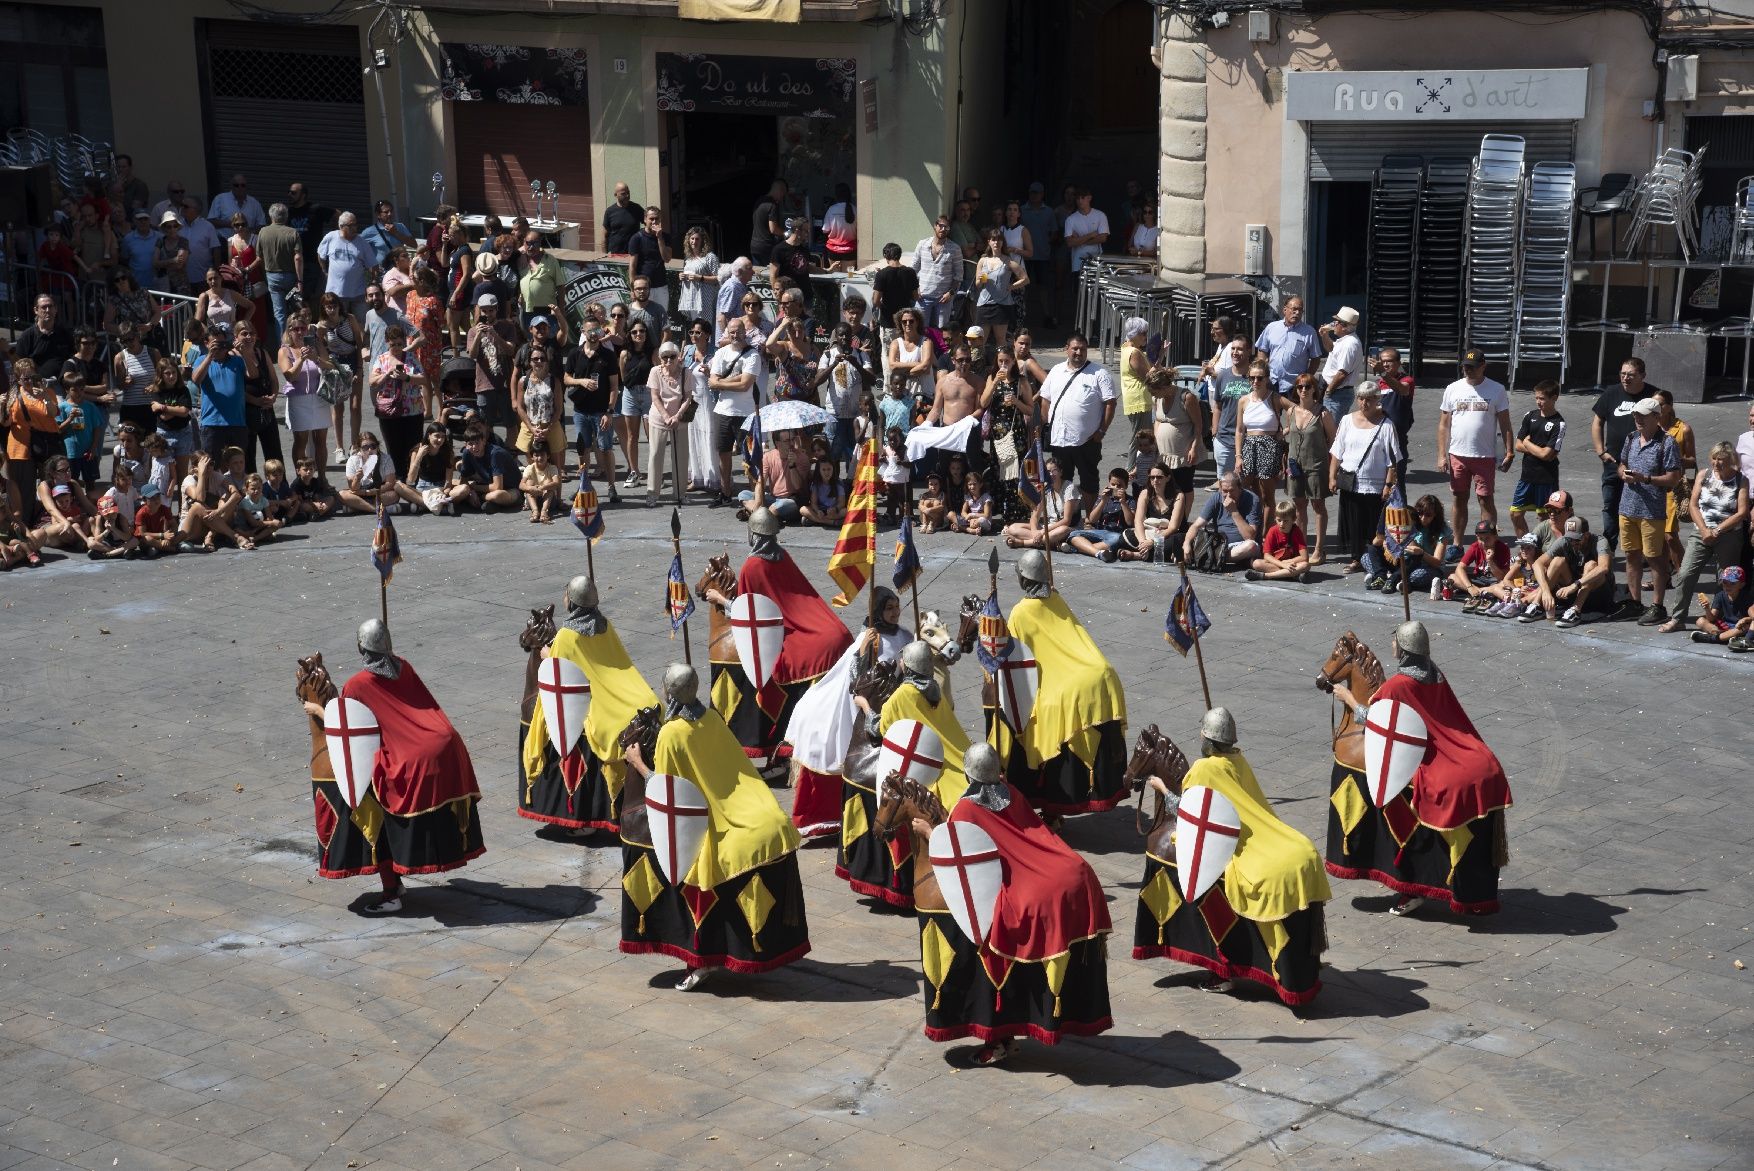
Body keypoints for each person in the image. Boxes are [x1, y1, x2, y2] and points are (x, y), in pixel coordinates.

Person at [919, 742, 1112, 1064]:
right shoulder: (1012, 792)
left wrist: (928, 833)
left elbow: (958, 855)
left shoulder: (966, 809)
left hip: (1028, 892)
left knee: (982, 949)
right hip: (1073, 873)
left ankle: (997, 1036)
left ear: (968, 773)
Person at [621, 662, 810, 989]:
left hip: (723, 823)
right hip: (766, 816)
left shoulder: (670, 733)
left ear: (669, 693)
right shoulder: (711, 717)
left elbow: (666, 790)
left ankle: (701, 959)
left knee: (689, 873)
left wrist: (637, 762)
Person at [1133, 708, 1331, 1003]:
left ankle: (1223, 969)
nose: (1200, 737)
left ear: (1209, 741)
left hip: (1244, 848)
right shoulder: (1238, 760)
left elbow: (1190, 813)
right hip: (1289, 842)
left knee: (1201, 892)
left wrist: (1161, 787)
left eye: (1203, 734)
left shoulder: (1203, 769)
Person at [1324, 621, 1512, 916]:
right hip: (1476, 757)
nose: (1392, 646)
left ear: (1403, 649)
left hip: (1439, 762)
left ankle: (1410, 884)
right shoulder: (1434, 672)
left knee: (1392, 805)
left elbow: (1375, 721)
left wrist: (1347, 697)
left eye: (1395, 641)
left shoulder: (1399, 685)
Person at [303, 620, 486, 915]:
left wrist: (319, 710)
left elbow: (347, 729)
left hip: (408, 761)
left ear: (361, 647)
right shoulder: (404, 667)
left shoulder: (358, 684)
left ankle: (391, 892)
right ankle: (394, 883)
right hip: (446, 746)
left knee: (368, 814)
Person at [698, 507, 855, 822]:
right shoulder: (781, 555)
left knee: (764, 676)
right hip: (832, 632)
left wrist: (718, 598)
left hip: (804, 640)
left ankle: (778, 745)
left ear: (753, 535)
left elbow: (747, 615)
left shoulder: (752, 566)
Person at [989, 550, 1128, 817]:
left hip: (1064, 685)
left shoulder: (1020, 611)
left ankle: (1050, 803)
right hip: (1102, 675)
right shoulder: (1056, 598)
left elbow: (1017, 661)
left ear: (1023, 578)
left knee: (1034, 721)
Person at [520, 575, 661, 834]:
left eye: (566, 596)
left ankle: (585, 815)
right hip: (631, 693)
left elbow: (561, 669)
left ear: (572, 603)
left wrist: (545, 653)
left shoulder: (566, 636)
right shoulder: (605, 625)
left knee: (559, 730)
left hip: (598, 700)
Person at [1664, 442, 1749, 635]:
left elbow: (1742, 512)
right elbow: (1693, 505)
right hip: (1701, 532)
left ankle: (1721, 618)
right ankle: (1678, 618)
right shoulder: (1704, 475)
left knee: (1725, 580)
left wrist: (1717, 530)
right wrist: (1704, 530)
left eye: (1721, 460)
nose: (1716, 463)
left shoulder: (1741, 480)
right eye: (1714, 458)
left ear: (1731, 461)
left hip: (1728, 535)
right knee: (1685, 574)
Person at [1616, 395, 1684, 626]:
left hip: (1651, 511)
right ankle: (1635, 602)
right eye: (1636, 415)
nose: (1638, 419)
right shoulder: (1631, 438)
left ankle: (1658, 606)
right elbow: (1621, 464)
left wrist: (1646, 478)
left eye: (1643, 416)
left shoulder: (1667, 443)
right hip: (1627, 508)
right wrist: (1623, 473)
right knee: (1631, 555)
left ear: (1656, 417)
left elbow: (1674, 478)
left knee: (1655, 559)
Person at [1039, 332, 1116, 516]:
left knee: (1088, 479)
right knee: (1060, 480)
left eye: (1082, 349)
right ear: (1067, 349)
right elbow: (1045, 399)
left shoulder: (1099, 373)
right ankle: (1064, 517)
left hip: (1087, 440)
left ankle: (1089, 517)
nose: (1078, 352)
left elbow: (1110, 403)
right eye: (1075, 348)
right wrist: (1048, 423)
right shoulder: (1056, 370)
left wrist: (1101, 431)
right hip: (1059, 439)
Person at [1329, 383, 1402, 574]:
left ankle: (1374, 558)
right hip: (1350, 481)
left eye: (1369, 398)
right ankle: (1356, 558)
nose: (1365, 402)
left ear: (1378, 399)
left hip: (1375, 485)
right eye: (1361, 398)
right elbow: (1337, 451)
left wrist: (1388, 484)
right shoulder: (1346, 420)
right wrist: (1332, 477)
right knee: (1353, 521)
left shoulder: (1386, 425)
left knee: (1373, 523)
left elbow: (1393, 461)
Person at [1592, 357, 1658, 554]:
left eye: (1631, 375)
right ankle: (1608, 549)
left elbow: (1663, 423)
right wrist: (1600, 451)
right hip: (1613, 462)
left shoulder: (1652, 395)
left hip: (1642, 464)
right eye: (1623, 374)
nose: (1625, 378)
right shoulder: (1611, 393)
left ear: (1642, 376)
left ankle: (1643, 551)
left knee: (1641, 508)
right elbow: (1597, 422)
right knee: (1610, 506)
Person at [707, 318, 763, 508]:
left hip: (745, 413)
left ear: (744, 332)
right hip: (722, 411)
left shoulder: (752, 355)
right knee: (723, 453)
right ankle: (725, 492)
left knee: (749, 457)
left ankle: (753, 495)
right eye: (731, 332)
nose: (735, 335)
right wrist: (729, 382)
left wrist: (721, 383)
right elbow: (712, 380)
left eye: (738, 331)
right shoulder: (721, 352)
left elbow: (745, 385)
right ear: (727, 334)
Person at [1527, 515, 1617, 627]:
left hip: (1599, 592)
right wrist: (1545, 591)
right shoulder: (1564, 541)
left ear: (1587, 535)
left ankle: (1576, 610)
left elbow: (1604, 567)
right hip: (1573, 590)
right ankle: (1537, 604)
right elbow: (1537, 563)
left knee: (1591, 565)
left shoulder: (1600, 542)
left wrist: (1576, 585)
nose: (1573, 542)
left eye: (1577, 539)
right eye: (1570, 538)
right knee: (1557, 561)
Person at [1363, 493, 1450, 595]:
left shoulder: (1441, 531)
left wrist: (1421, 552)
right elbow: (1376, 542)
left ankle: (1389, 577)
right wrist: (1386, 540)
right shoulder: (1410, 521)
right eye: (1420, 513)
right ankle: (1389, 577)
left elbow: (1437, 562)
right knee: (1365, 557)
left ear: (1435, 515)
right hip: (1401, 563)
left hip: (1423, 566)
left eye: (1428, 515)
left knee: (1417, 575)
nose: (1422, 518)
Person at [1510, 379, 1565, 538]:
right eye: (1537, 398)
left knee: (1545, 518)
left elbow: (1547, 455)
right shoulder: (1530, 416)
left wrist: (1528, 443)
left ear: (1554, 398)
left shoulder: (1558, 424)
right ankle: (1527, 548)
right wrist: (1534, 447)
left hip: (1546, 479)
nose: (1538, 402)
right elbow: (1518, 445)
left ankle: (1543, 551)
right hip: (1526, 477)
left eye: (1542, 398)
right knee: (1515, 514)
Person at [1234, 358, 1286, 517]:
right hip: (1249, 446)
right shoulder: (1244, 400)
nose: (1255, 381)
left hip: (1269, 447)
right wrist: (1238, 456)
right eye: (1252, 377)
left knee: (1266, 496)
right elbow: (1239, 430)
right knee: (1243, 491)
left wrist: (1284, 431)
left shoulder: (1274, 398)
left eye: (1260, 378)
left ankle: (1265, 536)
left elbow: (1295, 410)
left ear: (1267, 378)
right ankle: (1249, 527)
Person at [191, 325, 250, 459]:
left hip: (237, 423)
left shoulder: (237, 360)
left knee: (237, 466)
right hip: (212, 423)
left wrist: (244, 352)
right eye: (216, 344)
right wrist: (210, 356)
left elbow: (253, 374)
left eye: (223, 343)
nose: (221, 347)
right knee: (211, 466)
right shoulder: (201, 360)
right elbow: (196, 379)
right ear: (206, 343)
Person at [1183, 472, 1262, 570]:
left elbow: (1250, 536)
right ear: (1220, 488)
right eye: (1225, 491)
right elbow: (1197, 525)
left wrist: (1234, 511)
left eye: (1232, 490)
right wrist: (1186, 543)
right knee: (1182, 540)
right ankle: (1212, 557)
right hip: (1218, 543)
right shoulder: (1216, 497)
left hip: (1239, 545)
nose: (1228, 495)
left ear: (1240, 488)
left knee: (1251, 546)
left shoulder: (1252, 499)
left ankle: (1211, 559)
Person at [644, 341, 691, 506]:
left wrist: (677, 416)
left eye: (672, 356)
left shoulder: (686, 372)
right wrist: (666, 416)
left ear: (678, 357)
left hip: (680, 418)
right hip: (659, 418)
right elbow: (655, 397)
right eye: (665, 357)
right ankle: (652, 493)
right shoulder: (655, 372)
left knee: (681, 456)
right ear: (659, 358)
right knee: (656, 455)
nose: (669, 360)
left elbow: (687, 397)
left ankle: (680, 493)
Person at [1255, 297, 1323, 398]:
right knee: (1271, 413)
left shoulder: (1309, 332)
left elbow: (1316, 358)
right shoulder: (1271, 327)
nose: (1297, 312)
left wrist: (1306, 378)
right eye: (1294, 309)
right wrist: (1263, 372)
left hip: (1295, 386)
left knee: (1294, 413)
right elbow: (1262, 350)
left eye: (1300, 310)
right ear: (1285, 310)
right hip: (1272, 382)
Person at [972, 229, 1028, 351]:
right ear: (989, 242)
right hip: (984, 304)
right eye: (993, 239)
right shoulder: (982, 260)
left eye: (999, 239)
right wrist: (980, 280)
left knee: (1000, 340)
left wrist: (1010, 287)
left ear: (1003, 242)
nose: (996, 242)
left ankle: (1001, 367)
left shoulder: (1008, 261)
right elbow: (977, 285)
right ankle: (979, 366)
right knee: (980, 339)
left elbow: (1025, 279)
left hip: (1002, 304)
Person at [258, 204, 302, 351]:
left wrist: (266, 274)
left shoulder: (263, 232)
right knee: (295, 310)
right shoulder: (292, 232)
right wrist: (300, 279)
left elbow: (260, 256)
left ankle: (283, 346)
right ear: (286, 216)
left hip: (272, 275)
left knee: (279, 313)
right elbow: (298, 258)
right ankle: (297, 342)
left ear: (271, 216)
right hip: (290, 275)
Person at [1207, 335, 1253, 477]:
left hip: (1249, 440)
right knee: (1225, 484)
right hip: (1224, 440)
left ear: (1249, 351)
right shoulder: (1222, 376)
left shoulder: (1256, 377)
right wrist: (1215, 433)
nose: (1235, 352)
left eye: (1240, 349)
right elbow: (1218, 406)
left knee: (1245, 485)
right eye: (1233, 348)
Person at [1067, 467, 1134, 563]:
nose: (1115, 488)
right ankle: (1098, 552)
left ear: (1126, 486)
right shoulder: (1103, 498)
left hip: (1115, 534)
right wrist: (1103, 501)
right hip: (1099, 532)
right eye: (1113, 484)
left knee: (1116, 539)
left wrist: (1123, 503)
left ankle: (1079, 548)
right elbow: (1092, 519)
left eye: (1119, 486)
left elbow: (1130, 522)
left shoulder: (1130, 501)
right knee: (1073, 534)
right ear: (1108, 484)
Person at [1373, 346, 1416, 485]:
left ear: (1398, 363)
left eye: (1389, 361)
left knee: (1396, 486)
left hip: (1397, 441)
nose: (1385, 364)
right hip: (1377, 440)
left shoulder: (1407, 380)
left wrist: (1384, 375)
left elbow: (1402, 390)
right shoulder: (1376, 384)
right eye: (1382, 361)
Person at [456, 422, 522, 511]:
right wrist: (470, 491)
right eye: (471, 444)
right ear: (466, 445)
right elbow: (463, 481)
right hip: (487, 483)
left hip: (510, 489)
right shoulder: (467, 452)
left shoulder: (495, 453)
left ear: (484, 441)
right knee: (459, 483)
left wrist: (473, 488)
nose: (474, 447)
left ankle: (482, 499)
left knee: (496, 495)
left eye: (477, 443)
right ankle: (489, 502)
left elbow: (497, 487)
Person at [911, 216, 962, 332]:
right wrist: (915, 289)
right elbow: (912, 270)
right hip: (922, 297)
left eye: (946, 227)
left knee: (941, 333)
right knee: (920, 330)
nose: (943, 229)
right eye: (941, 226)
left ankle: (939, 351)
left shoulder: (955, 248)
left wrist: (951, 293)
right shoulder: (922, 244)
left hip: (943, 299)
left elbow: (958, 276)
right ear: (935, 226)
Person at [1448, 520, 1511, 604]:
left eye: (1487, 538)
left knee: (1504, 584)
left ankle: (1478, 592)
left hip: (1495, 581)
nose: (1484, 542)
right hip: (1479, 579)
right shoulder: (1475, 546)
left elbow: (1502, 577)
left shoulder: (1503, 548)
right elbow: (1460, 568)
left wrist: (1490, 560)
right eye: (1480, 539)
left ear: (1495, 536)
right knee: (1452, 577)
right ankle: (1481, 592)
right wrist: (1469, 586)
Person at [1247, 499, 1311, 582]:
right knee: (1256, 563)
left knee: (1305, 565)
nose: (1281, 524)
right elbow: (1267, 556)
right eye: (1279, 520)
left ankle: (1266, 576)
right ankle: (1292, 575)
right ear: (1275, 518)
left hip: (1291, 563)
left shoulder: (1296, 531)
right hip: (1276, 563)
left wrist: (1287, 562)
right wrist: (1282, 564)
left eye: (1286, 521)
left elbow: (1304, 557)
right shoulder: (1272, 531)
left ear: (1293, 519)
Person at [1699, 566, 1753, 648]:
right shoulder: (1720, 595)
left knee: (1745, 627)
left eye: (1732, 583)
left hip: (1739, 627)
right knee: (1700, 621)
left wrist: (1745, 619)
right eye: (1725, 582)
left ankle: (1715, 638)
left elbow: (1752, 616)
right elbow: (1711, 618)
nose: (1728, 586)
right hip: (1725, 627)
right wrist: (1707, 608)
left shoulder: (1747, 597)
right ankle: (1726, 637)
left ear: (1742, 585)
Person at [1062, 187, 1109, 276]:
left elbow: (1103, 238)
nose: (1080, 201)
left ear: (1089, 198)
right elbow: (1069, 243)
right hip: (1077, 263)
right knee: (1078, 289)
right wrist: (1091, 235)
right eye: (1077, 198)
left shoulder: (1100, 215)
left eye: (1082, 198)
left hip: (1096, 262)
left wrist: (1079, 240)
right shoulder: (1070, 219)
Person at [675, 228, 718, 324]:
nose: (694, 241)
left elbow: (718, 278)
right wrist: (681, 276)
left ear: (703, 241)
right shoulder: (688, 258)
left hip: (705, 299)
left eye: (697, 239)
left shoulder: (710, 257)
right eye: (692, 238)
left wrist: (699, 278)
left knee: (706, 327)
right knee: (696, 327)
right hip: (691, 299)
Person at [749, 178, 787, 266]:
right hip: (766, 247)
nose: (782, 198)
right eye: (783, 194)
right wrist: (786, 233)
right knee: (770, 275)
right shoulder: (772, 205)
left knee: (758, 275)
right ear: (780, 190)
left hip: (754, 245)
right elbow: (773, 229)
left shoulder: (759, 201)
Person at [601, 181, 644, 253]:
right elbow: (604, 235)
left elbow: (649, 224)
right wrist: (604, 255)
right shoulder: (610, 211)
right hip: (615, 253)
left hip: (633, 253)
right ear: (616, 195)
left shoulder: (636, 208)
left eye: (628, 192)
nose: (627, 195)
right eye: (623, 193)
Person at [714, 257, 753, 336]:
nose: (753, 272)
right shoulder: (731, 288)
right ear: (740, 271)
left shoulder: (740, 285)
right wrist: (729, 339)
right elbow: (721, 318)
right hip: (731, 342)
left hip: (738, 338)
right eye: (750, 269)